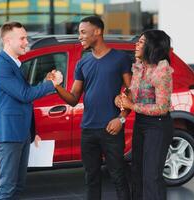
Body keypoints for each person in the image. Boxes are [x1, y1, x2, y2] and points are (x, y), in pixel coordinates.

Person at [55, 16, 132, 200]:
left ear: (97, 31)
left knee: (118, 177)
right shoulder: (83, 63)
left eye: (83, 32)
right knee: (91, 179)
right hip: (88, 130)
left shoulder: (120, 58)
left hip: (111, 130)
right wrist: (56, 86)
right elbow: (73, 99)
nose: (79, 36)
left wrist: (121, 118)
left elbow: (131, 93)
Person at [0, 21, 63, 200]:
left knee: (18, 186)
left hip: (20, 134)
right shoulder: (1, 66)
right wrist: (52, 84)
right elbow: (24, 95)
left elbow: (21, 98)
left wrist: (32, 132)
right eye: (22, 38)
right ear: (7, 41)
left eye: (26, 37)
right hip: (8, 135)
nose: (26, 42)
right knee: (6, 188)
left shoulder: (14, 64)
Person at [115, 30, 174, 200]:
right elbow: (133, 93)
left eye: (141, 42)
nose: (136, 44)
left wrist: (131, 105)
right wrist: (123, 97)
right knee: (137, 172)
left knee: (151, 177)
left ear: (152, 46)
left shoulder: (162, 71)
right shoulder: (140, 67)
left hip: (159, 125)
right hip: (141, 123)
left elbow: (162, 107)